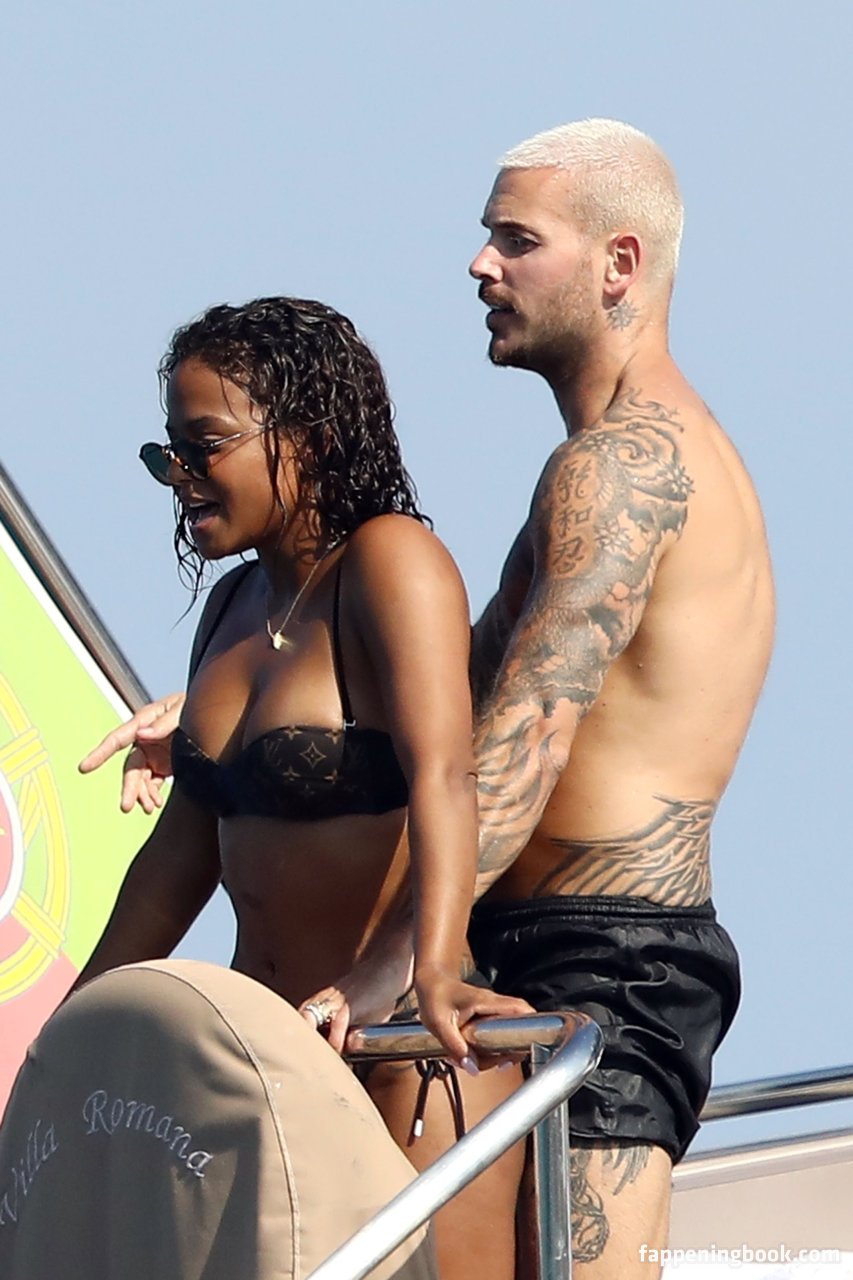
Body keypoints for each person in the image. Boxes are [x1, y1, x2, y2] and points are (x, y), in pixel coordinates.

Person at [83, 119, 776, 1278]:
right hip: (514, 942)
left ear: (619, 263)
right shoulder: (584, 472)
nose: (479, 264)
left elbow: (518, 743)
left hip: (607, 955)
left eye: (517, 239)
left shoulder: (622, 472)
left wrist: (392, 966)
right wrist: (232, 717)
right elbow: (440, 693)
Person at [75, 296, 532, 1280]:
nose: (180, 475)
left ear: (309, 437)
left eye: (204, 446)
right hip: (270, 1070)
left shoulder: (389, 562)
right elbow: (176, 859)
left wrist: (433, 968)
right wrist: (66, 1037)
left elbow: (448, 774)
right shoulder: (233, 607)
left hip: (405, 1054)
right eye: (166, 453)